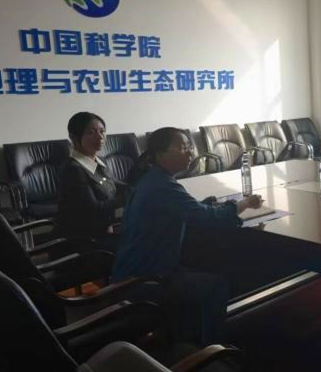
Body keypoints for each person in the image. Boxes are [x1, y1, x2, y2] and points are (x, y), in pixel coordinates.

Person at [113, 127, 263, 345]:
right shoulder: (162, 186)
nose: (190, 152)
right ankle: (211, 349)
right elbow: (210, 219)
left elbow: (187, 210)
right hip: (145, 278)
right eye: (182, 148)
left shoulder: (154, 179)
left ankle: (187, 333)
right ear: (160, 154)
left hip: (142, 268)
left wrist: (209, 205)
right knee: (216, 285)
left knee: (203, 264)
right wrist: (245, 203)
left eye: (189, 146)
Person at [57, 112, 123, 249]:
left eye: (102, 131)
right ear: (74, 137)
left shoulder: (99, 161)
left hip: (103, 230)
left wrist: (139, 188)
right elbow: (93, 209)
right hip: (85, 241)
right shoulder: (73, 169)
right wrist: (127, 197)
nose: (100, 137)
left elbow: (111, 183)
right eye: (91, 133)